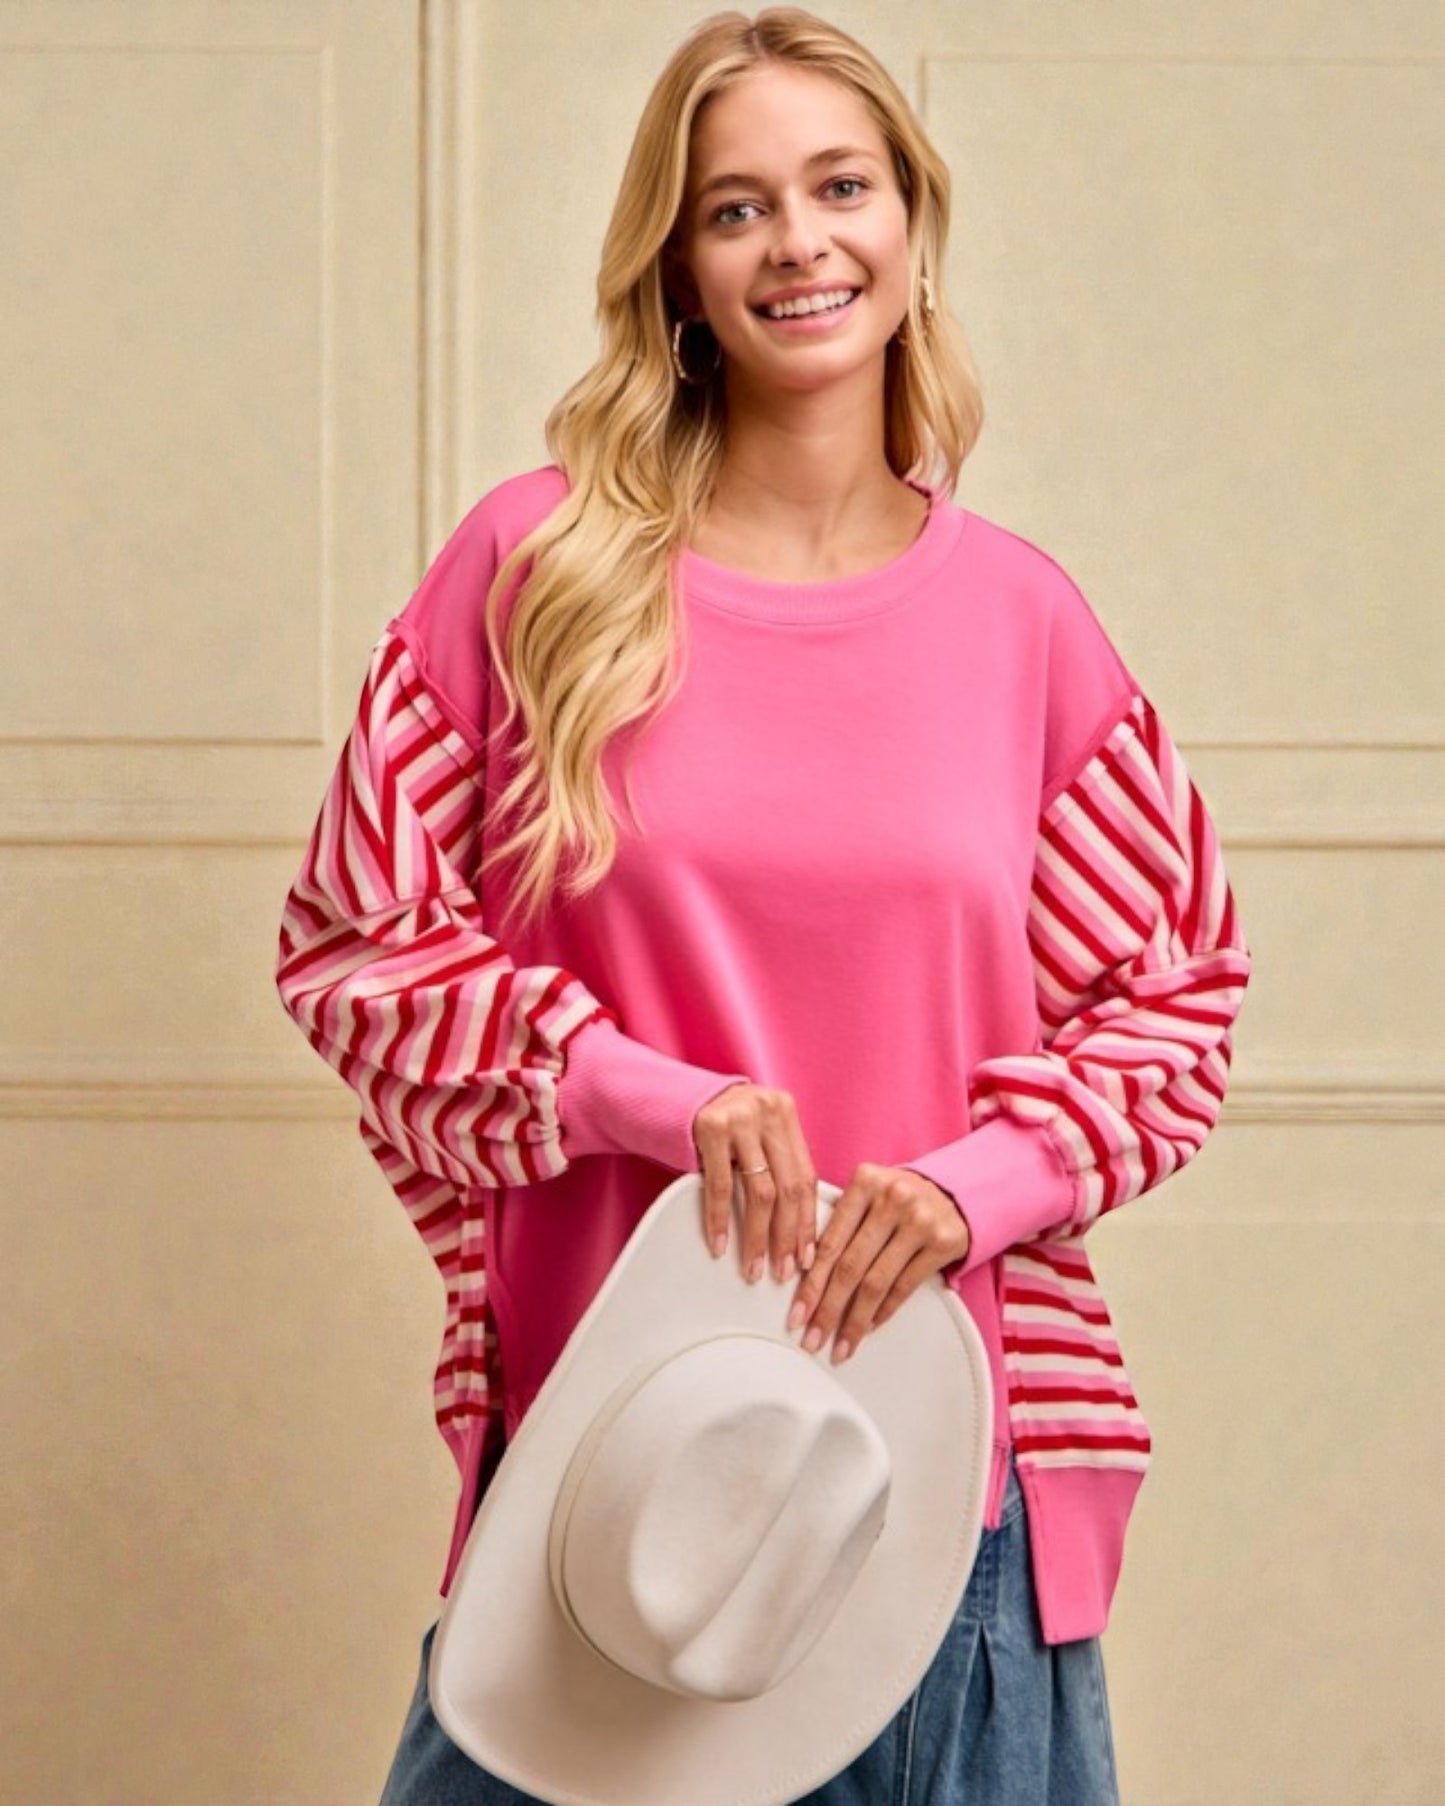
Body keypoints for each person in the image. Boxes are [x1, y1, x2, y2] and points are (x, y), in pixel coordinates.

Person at [273, 8, 1252, 1802]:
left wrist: (967, 1196)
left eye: (839, 186)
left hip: (953, 1500)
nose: (798, 242)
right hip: (613, 1497)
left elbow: (1175, 999)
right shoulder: (534, 575)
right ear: (677, 270)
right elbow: (356, 943)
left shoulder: (1022, 625)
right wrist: (652, 1094)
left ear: (907, 225)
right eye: (736, 209)